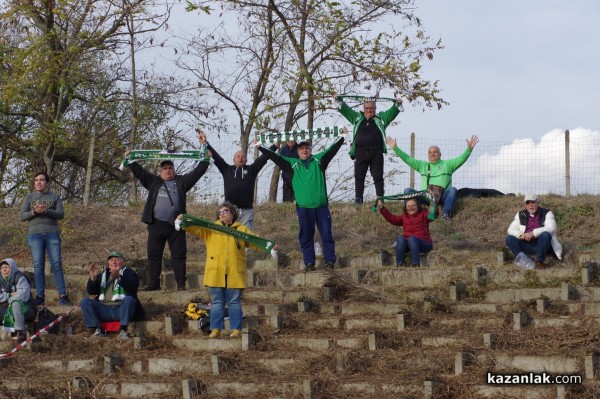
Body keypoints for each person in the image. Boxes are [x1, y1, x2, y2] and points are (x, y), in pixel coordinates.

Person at [125, 131, 210, 291]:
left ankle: (180, 284)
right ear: (160, 171)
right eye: (165, 168)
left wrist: (206, 155)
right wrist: (130, 159)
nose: (168, 170)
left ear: (174, 170)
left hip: (176, 225)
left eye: (171, 168)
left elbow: (199, 171)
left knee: (178, 255)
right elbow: (140, 173)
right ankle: (154, 283)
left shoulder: (182, 182)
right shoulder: (153, 181)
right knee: (154, 255)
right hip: (156, 223)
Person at [177, 202, 267, 339]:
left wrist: (270, 247)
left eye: (225, 211)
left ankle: (236, 329)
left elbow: (255, 241)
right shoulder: (211, 228)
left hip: (234, 272)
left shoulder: (241, 230)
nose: (222, 214)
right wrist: (183, 220)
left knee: (234, 302)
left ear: (232, 213)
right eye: (220, 213)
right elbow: (195, 228)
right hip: (215, 273)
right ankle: (215, 329)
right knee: (217, 302)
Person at [258, 133, 346, 270]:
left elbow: (331, 150)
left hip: (321, 207)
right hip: (304, 208)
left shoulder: (319, 161)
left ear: (310, 150)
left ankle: (330, 261)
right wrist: (260, 147)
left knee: (327, 235)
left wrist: (342, 137)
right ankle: (309, 263)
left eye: (307, 148)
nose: (304, 151)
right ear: (298, 152)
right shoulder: (292, 164)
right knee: (305, 235)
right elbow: (275, 157)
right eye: (301, 149)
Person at [386, 135, 479, 219]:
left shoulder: (448, 165)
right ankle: (408, 215)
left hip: (442, 196)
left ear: (440, 154)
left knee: (453, 190)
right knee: (407, 191)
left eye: (435, 152)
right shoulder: (422, 166)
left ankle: (446, 214)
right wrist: (395, 148)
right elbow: (407, 159)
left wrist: (469, 149)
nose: (432, 154)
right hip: (425, 197)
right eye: (429, 153)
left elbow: (461, 159)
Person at [198, 131, 276, 229]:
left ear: (246, 160)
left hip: (247, 211)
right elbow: (216, 157)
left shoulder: (251, 170)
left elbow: (264, 158)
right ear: (233, 159)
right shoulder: (227, 169)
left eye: (243, 157)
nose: (240, 159)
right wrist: (206, 143)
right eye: (238, 157)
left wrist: (275, 145)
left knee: (245, 239)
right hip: (230, 211)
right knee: (230, 239)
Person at [336, 96, 404, 204]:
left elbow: (392, 113)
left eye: (371, 108)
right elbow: (345, 110)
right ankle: (358, 199)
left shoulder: (381, 118)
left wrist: (397, 104)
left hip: (376, 151)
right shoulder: (357, 117)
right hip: (360, 152)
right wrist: (339, 100)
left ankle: (380, 198)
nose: (369, 110)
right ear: (363, 109)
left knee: (377, 176)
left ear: (375, 109)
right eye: (367, 108)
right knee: (359, 176)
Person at [19, 171, 71, 306]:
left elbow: (61, 214)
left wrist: (47, 210)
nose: (38, 182)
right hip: (34, 235)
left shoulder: (55, 197)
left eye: (41, 180)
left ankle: (62, 295)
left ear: (47, 183)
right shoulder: (29, 197)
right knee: (38, 266)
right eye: (36, 180)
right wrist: (35, 211)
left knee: (56, 264)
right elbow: (22, 216)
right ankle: (40, 297)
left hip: (52, 233)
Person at [80, 251, 145, 340]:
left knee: (129, 299)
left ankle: (123, 330)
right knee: (85, 301)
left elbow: (133, 286)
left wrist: (119, 277)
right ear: (108, 263)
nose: (114, 262)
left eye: (117, 259)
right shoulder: (102, 275)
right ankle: (98, 330)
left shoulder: (129, 273)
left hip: (121, 309)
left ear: (122, 262)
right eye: (111, 260)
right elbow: (92, 291)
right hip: (104, 309)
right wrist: (93, 278)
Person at [505, 195, 562, 270]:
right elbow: (510, 229)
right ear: (525, 205)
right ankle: (525, 261)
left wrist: (533, 234)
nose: (530, 205)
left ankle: (539, 262)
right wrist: (520, 235)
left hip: (542, 244)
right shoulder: (520, 214)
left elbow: (551, 228)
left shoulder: (547, 213)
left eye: (533, 202)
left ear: (537, 202)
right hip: (526, 244)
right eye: (528, 203)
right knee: (509, 238)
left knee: (546, 235)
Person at [376, 199, 432, 267]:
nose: (411, 208)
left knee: (412, 238)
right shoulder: (404, 216)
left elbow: (432, 216)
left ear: (418, 206)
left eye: (413, 205)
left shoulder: (424, 213)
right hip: (410, 245)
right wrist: (382, 208)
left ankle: (416, 263)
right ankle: (399, 264)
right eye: (408, 206)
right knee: (401, 238)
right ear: (406, 208)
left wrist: (435, 204)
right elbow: (392, 218)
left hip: (424, 244)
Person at [0, 258, 37, 343]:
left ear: (12, 268)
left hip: (26, 309)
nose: (4, 270)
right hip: (6, 310)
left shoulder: (20, 277)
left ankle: (20, 332)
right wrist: (9, 295)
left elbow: (22, 296)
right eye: (2, 268)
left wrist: (7, 300)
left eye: (7, 267)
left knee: (16, 302)